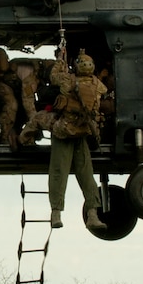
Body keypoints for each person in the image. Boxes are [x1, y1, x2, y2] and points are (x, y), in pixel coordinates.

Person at [33, 48, 108, 232]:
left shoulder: (68, 80)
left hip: (64, 131)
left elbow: (53, 76)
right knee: (86, 174)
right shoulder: (98, 84)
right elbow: (104, 94)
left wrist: (60, 59)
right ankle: (92, 214)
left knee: (59, 171)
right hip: (82, 131)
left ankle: (56, 213)